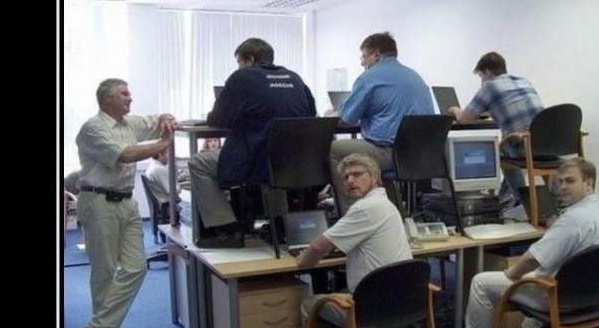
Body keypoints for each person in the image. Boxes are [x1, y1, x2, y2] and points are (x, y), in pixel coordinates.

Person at [450, 158, 599, 328]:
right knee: (537, 272)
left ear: (589, 183)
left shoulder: (573, 219)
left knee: (481, 282)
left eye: (570, 181)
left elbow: (532, 259)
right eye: (561, 181)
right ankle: (530, 326)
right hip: (589, 294)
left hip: (555, 295)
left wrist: (510, 274)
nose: (563, 187)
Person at [75, 78, 177, 328]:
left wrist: (167, 120)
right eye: (124, 94)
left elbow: (158, 119)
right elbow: (125, 155)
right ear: (106, 99)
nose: (130, 98)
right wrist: (163, 143)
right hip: (99, 202)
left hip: (126, 202)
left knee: (135, 268)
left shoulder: (130, 124)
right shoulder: (92, 128)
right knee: (104, 271)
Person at [189, 38, 316, 248]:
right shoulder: (295, 78)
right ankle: (280, 225)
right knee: (273, 163)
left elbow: (218, 119)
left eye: (239, 62)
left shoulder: (243, 77)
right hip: (294, 162)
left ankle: (226, 230)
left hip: (258, 161)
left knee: (198, 163)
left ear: (249, 60)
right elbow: (311, 115)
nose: (239, 67)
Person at [298, 153, 411, 328]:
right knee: (355, 292)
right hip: (405, 311)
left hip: (371, 316)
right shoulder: (387, 205)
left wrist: (301, 264)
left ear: (375, 178)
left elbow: (318, 246)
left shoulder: (365, 208)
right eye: (346, 177)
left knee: (310, 304)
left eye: (357, 174)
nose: (350, 180)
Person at [329, 32, 434, 213]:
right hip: (421, 154)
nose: (362, 63)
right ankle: (391, 213)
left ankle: (352, 215)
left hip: (391, 153)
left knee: (333, 149)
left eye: (364, 57)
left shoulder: (369, 77)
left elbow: (346, 120)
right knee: (370, 150)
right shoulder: (415, 76)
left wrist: (332, 114)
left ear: (376, 55)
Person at [448, 51, 544, 204]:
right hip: (547, 144)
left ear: (488, 72)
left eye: (481, 76)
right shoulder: (522, 81)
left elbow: (464, 120)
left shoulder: (490, 87)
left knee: (498, 151)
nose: (481, 81)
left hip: (524, 147)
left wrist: (456, 110)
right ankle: (503, 201)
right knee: (506, 153)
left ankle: (521, 200)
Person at [144, 148, 189, 219]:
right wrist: (180, 181)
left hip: (162, 205)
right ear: (159, 154)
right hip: (168, 208)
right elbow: (174, 190)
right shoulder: (159, 169)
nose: (170, 157)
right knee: (193, 208)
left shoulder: (152, 165)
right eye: (168, 153)